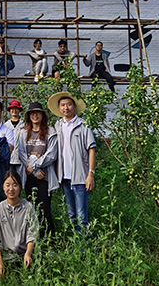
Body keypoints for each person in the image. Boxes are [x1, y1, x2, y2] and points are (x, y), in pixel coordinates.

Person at [47, 91, 96, 231]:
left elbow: (91, 149)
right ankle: (76, 246)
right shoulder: (58, 125)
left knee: (81, 215)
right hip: (65, 178)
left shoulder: (83, 125)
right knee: (71, 214)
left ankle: (83, 249)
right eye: (62, 105)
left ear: (74, 106)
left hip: (80, 177)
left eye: (69, 104)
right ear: (59, 108)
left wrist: (90, 174)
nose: (66, 108)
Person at [12, 102, 58, 235]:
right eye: (32, 113)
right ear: (28, 116)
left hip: (44, 176)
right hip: (28, 176)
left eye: (38, 113)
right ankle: (35, 239)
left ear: (43, 115)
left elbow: (51, 154)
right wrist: (33, 170)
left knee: (45, 209)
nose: (35, 115)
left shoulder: (50, 131)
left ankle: (50, 241)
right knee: (31, 208)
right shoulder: (23, 132)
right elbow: (20, 152)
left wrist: (35, 167)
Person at [0, 170, 38, 278]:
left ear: (20, 187)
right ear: (3, 187)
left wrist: (28, 254)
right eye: (8, 185)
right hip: (6, 257)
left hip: (24, 255)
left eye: (15, 185)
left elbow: (32, 234)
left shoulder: (28, 207)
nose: (11, 189)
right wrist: (0, 263)